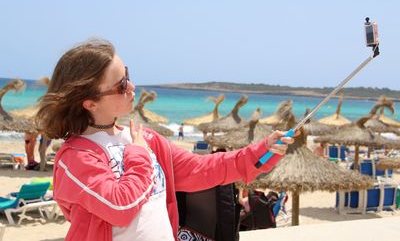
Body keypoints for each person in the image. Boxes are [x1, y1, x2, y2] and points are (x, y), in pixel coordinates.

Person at [35, 39, 294, 241]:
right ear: (89, 102)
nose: (132, 86)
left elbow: (204, 169)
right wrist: (138, 155)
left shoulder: (147, 139)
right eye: (121, 84)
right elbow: (120, 206)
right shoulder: (75, 158)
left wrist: (263, 151)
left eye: (127, 74)